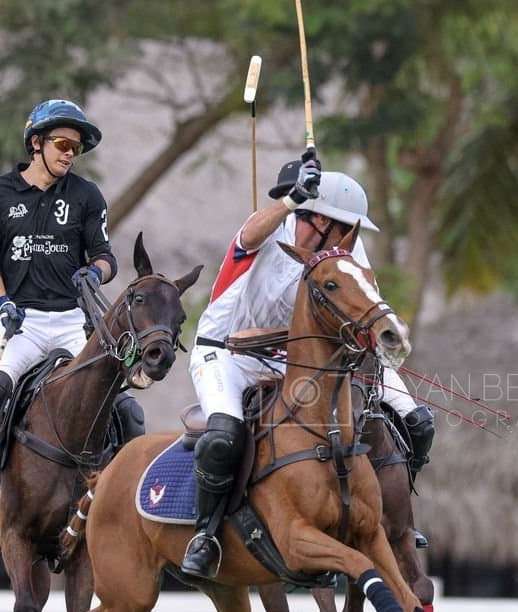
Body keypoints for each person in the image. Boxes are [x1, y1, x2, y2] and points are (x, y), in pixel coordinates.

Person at [181, 150, 435, 579]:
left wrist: (384, 336)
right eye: (341, 231)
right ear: (319, 221)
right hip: (228, 355)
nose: (348, 243)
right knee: (224, 435)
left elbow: (364, 302)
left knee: (417, 422)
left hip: (300, 362)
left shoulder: (346, 247)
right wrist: (292, 200)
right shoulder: (269, 229)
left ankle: (395, 521)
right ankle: (206, 534)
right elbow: (249, 233)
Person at [0, 99, 144, 518]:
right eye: (62, 143)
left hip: (69, 322)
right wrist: (2, 301)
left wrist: (94, 275)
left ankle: (126, 486)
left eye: (75, 148)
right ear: (36, 142)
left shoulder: (85, 196)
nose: (69, 153)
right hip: (20, 321)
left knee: (124, 405)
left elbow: (104, 256)